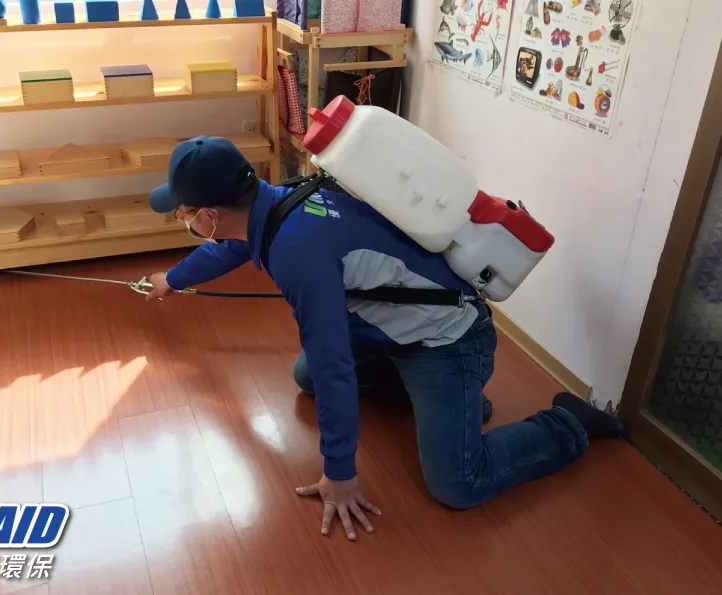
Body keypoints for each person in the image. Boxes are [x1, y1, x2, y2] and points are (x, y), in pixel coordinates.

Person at [144, 136, 625, 541]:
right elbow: (232, 248)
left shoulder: (298, 252)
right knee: (303, 375)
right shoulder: (278, 197)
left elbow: (333, 365)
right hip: (390, 332)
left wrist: (339, 474)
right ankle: (456, 405)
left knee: (459, 484)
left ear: (209, 216)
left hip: (447, 340)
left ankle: (567, 422)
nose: (185, 221)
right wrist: (173, 279)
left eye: (184, 214)